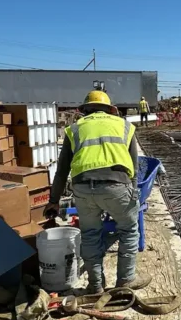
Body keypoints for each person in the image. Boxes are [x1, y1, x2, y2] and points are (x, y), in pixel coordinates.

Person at [45, 90, 141, 294]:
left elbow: (62, 170)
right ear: (110, 109)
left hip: (83, 189)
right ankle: (125, 281)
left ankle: (95, 286)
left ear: (85, 110)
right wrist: (132, 190)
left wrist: (54, 200)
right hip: (117, 186)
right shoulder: (125, 126)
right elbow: (134, 165)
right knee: (129, 230)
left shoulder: (75, 129)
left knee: (90, 235)